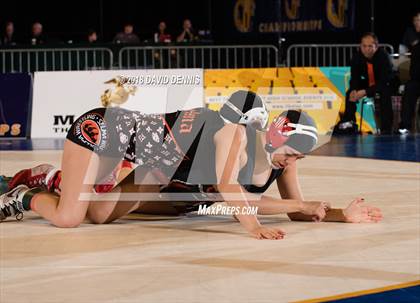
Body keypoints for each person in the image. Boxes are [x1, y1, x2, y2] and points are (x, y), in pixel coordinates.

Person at [0, 91, 382, 239]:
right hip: (101, 131)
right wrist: (254, 227)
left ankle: (54, 181)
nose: (293, 161)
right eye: (293, 152)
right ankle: (27, 193)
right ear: (275, 136)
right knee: (69, 218)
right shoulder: (236, 135)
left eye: (298, 156)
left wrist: (338, 214)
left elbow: (300, 212)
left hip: (153, 166)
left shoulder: (284, 161)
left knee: (97, 215)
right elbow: (227, 189)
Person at [336, 32, 395, 135]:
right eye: (364, 46)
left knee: (385, 92)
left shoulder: (383, 57)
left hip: (386, 83)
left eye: (370, 46)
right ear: (360, 46)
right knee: (350, 92)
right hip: (369, 83)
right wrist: (354, 89)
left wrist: (365, 92)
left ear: (376, 47)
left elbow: (383, 81)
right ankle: (349, 122)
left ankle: (386, 128)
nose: (366, 49)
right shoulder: (357, 57)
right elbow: (355, 78)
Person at [398, 43, 420, 134]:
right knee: (410, 87)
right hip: (418, 80)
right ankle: (405, 125)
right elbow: (414, 71)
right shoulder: (417, 48)